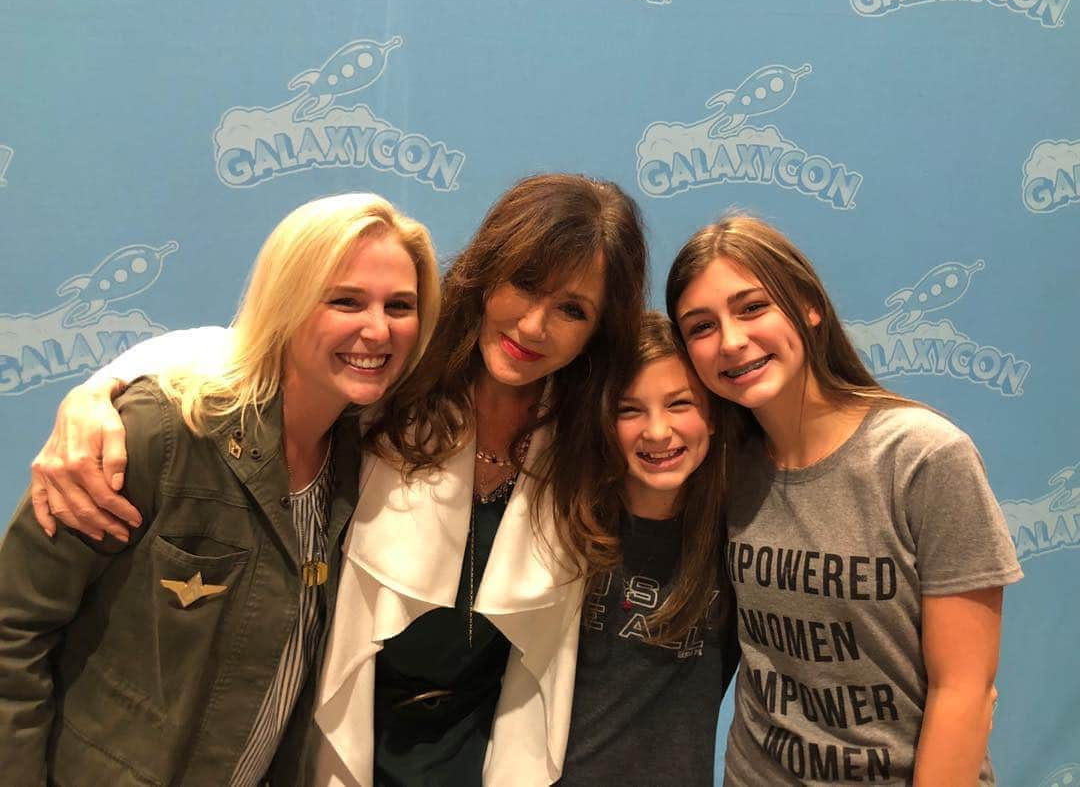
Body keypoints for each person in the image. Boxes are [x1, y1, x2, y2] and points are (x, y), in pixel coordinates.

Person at [25, 174, 649, 785]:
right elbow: (250, 349)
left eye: (572, 310)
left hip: (471, 752)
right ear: (487, 274)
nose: (535, 326)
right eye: (525, 284)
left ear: (599, 330)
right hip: (322, 744)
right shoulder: (394, 384)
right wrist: (98, 387)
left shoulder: (588, 448)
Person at [0, 193, 442, 785]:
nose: (377, 329)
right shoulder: (156, 432)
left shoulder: (362, 462)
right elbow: (12, 629)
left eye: (400, 306)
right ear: (287, 303)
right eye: (346, 301)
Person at [666, 215, 1023, 786]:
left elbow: (966, 691)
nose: (731, 340)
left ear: (809, 306)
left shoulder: (924, 457)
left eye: (753, 307)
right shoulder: (722, 469)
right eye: (701, 326)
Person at [558, 311, 739, 786]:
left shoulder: (740, 543)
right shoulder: (562, 530)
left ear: (715, 414)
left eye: (680, 404)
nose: (657, 432)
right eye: (629, 409)